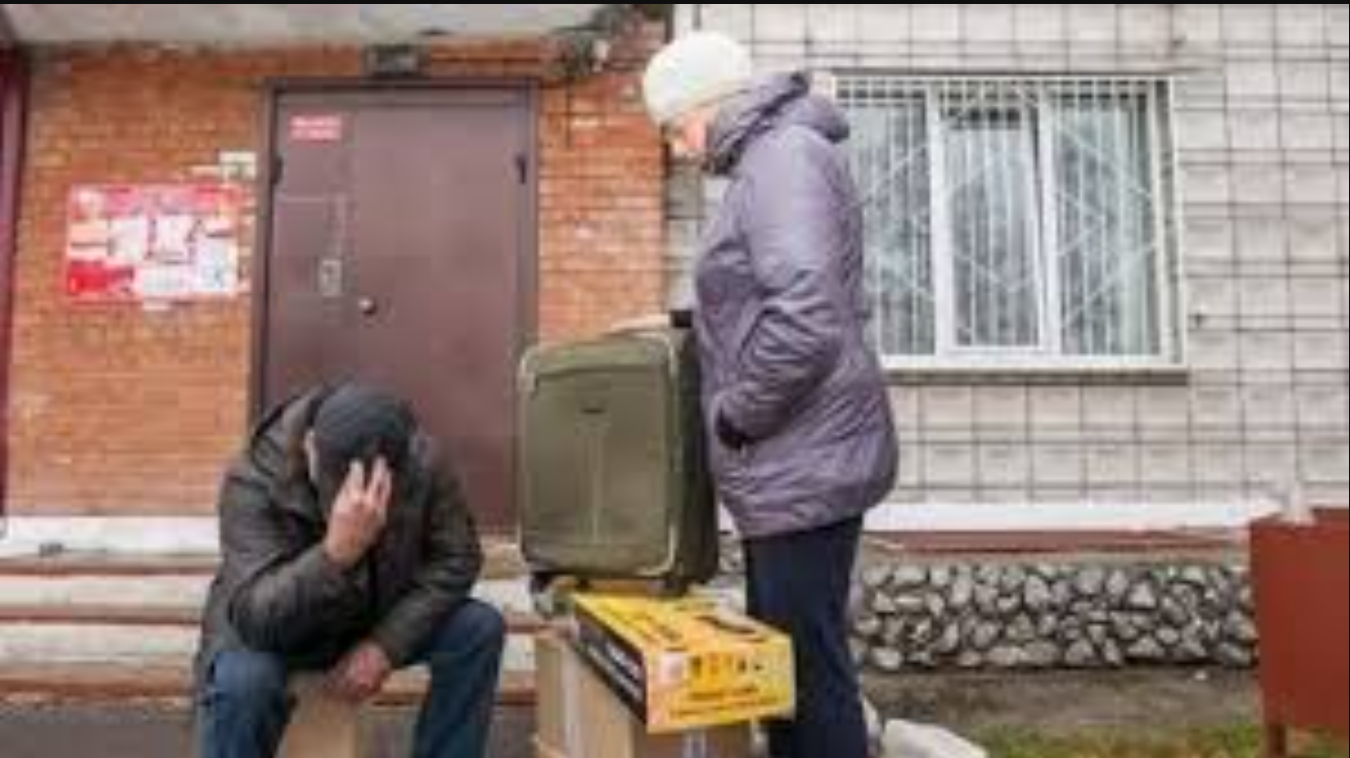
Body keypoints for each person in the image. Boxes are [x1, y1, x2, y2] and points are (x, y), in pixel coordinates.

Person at [643, 31, 899, 758]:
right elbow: (767, 292)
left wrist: (736, 416)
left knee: (805, 678)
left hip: (800, 459)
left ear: (709, 103)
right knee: (787, 670)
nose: (679, 148)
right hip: (796, 461)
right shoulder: (773, 159)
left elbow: (806, 318)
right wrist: (683, 323)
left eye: (676, 127)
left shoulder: (781, 161)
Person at [194, 382, 504, 758]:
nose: (356, 500)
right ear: (310, 446)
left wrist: (386, 644)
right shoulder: (255, 477)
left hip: (371, 614)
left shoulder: (420, 460)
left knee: (478, 629)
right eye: (337, 488)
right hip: (275, 625)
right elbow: (255, 615)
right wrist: (335, 555)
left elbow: (457, 558)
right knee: (243, 681)